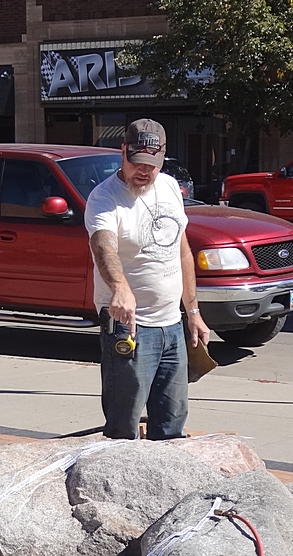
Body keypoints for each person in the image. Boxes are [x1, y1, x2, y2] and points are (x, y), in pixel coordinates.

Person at [85, 118, 211, 440]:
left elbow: (182, 250)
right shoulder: (104, 198)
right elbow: (103, 246)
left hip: (173, 326)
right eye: (136, 162)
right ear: (123, 152)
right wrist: (120, 287)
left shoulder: (169, 187)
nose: (143, 171)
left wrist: (193, 312)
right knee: (124, 426)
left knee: (172, 422)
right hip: (131, 328)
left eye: (152, 165)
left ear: (162, 158)